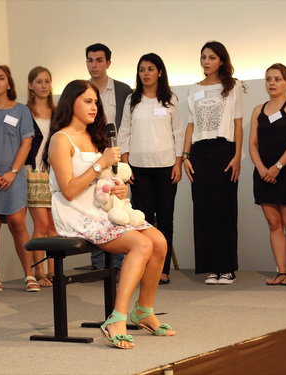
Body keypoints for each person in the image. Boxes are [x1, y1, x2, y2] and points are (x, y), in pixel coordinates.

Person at [43, 79, 175, 349]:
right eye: (87, 101)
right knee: (141, 244)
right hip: (76, 213)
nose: (94, 107)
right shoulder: (60, 139)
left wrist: (118, 190)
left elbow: (102, 181)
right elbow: (68, 190)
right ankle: (117, 317)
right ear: (71, 102)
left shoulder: (95, 137)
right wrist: (101, 163)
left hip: (103, 209)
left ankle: (144, 310)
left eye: (95, 102)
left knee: (159, 241)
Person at [118, 53, 183, 285]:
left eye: (150, 69)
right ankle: (142, 268)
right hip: (139, 168)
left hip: (166, 167)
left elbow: (178, 133)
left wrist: (178, 163)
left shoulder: (170, 99)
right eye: (142, 69)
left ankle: (162, 270)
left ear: (160, 73)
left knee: (165, 219)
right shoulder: (131, 100)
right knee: (141, 220)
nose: (145, 73)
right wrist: (125, 164)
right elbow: (124, 131)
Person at [183, 41, 244, 285]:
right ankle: (211, 268)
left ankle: (227, 267)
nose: (206, 61)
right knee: (203, 210)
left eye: (211, 57)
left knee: (225, 209)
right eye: (203, 57)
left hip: (225, 150)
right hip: (199, 152)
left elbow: (238, 123)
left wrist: (238, 155)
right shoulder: (192, 89)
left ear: (221, 60)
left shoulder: (234, 86)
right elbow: (190, 125)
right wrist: (185, 156)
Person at [0, 65, 38, 292]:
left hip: (14, 175)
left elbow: (27, 142)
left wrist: (12, 172)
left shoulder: (21, 110)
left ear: (9, 83)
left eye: (1, 78)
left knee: (18, 224)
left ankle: (29, 274)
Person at [249, 63, 286, 286]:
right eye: (268, 79)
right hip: (263, 174)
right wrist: (263, 169)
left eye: (278, 79)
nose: (272, 83)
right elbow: (252, 144)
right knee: (273, 224)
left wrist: (277, 167)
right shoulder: (257, 110)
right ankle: (281, 271)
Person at [86, 43, 132, 271]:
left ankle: (118, 263)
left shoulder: (124, 91)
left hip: (117, 159)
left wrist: (126, 159)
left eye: (99, 60)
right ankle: (98, 264)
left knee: (117, 205)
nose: (94, 65)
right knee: (94, 206)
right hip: (90, 158)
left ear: (108, 63)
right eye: (90, 60)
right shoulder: (82, 90)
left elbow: (129, 127)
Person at [25, 66, 56, 287]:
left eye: (47, 81)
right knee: (41, 223)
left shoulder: (58, 112)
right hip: (34, 171)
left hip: (55, 172)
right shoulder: (24, 112)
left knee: (54, 225)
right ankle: (39, 272)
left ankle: (55, 271)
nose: (43, 85)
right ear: (30, 85)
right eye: (39, 81)